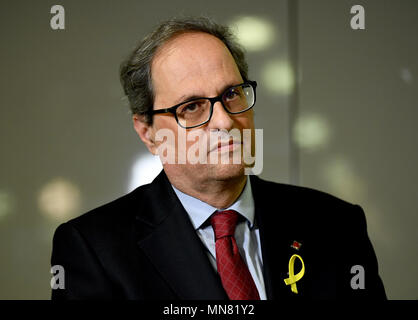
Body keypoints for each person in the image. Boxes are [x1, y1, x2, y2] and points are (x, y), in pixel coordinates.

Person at [50, 16, 386, 300]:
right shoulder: (94, 250)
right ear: (148, 132)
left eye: (231, 94)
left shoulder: (337, 225)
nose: (225, 121)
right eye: (192, 106)